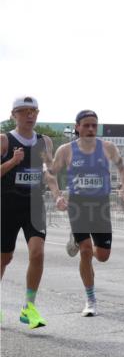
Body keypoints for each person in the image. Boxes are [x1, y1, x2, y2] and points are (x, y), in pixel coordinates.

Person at [49, 110, 124, 317]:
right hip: (78, 205)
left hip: (101, 206)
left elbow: (122, 169)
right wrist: (58, 196)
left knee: (103, 256)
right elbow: (50, 175)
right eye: (86, 125)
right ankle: (90, 299)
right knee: (86, 251)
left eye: (94, 126)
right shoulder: (66, 150)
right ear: (77, 127)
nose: (90, 129)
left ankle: (80, 243)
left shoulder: (107, 147)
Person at [1, 95, 61, 328]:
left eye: (34, 111)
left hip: (34, 205)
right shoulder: (4, 141)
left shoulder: (44, 142)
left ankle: (29, 307)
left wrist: (57, 195)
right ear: (14, 115)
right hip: (6, 204)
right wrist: (12, 163)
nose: (30, 115)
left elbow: (49, 172)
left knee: (37, 253)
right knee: (4, 258)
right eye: (24, 111)